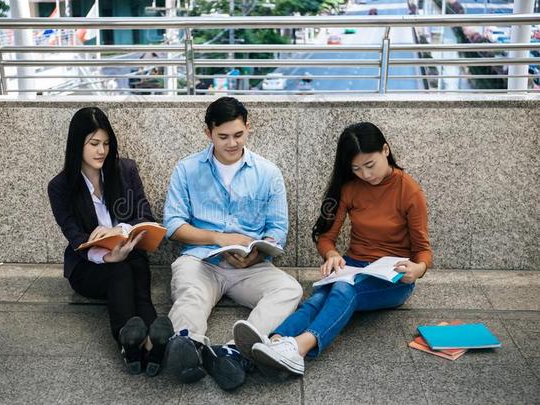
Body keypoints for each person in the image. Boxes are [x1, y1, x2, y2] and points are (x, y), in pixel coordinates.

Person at [234, 122, 432, 376]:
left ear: (385, 150)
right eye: (356, 169)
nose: (365, 175)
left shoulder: (409, 191)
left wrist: (419, 269)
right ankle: (272, 343)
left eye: (370, 165)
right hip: (353, 266)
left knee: (342, 289)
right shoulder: (350, 188)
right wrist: (332, 254)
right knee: (315, 300)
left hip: (392, 276)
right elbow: (326, 237)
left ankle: (298, 348)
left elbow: (423, 249)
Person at [162, 97, 303, 391]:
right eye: (223, 136)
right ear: (208, 133)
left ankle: (234, 351)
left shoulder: (268, 173)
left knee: (290, 289)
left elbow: (277, 229)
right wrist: (219, 239)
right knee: (191, 295)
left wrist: (258, 253)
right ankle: (189, 344)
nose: (232, 143)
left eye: (238, 135)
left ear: (248, 128)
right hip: (201, 260)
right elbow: (173, 226)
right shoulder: (187, 169)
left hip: (249, 266)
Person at [47, 107, 173, 377]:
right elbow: (74, 235)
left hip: (129, 253)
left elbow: (144, 215)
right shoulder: (60, 186)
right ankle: (137, 339)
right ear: (76, 145)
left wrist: (119, 229)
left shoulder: (125, 169)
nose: (101, 151)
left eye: (106, 143)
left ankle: (142, 345)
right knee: (121, 269)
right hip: (89, 267)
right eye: (93, 144)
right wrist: (105, 256)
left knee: (135, 264)